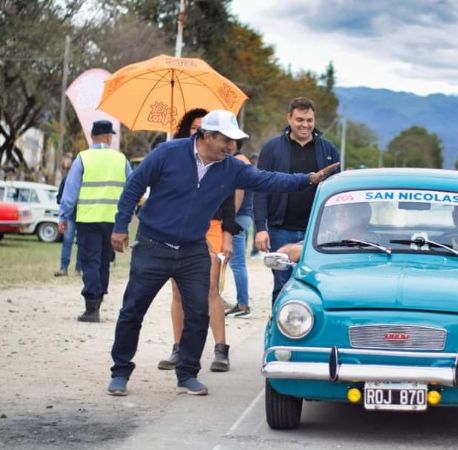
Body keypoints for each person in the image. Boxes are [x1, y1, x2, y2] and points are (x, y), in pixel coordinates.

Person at [107, 109, 337, 397]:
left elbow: (269, 180)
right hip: (153, 244)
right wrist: (120, 225)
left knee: (199, 312)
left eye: (233, 141)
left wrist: (308, 179)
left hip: (193, 249)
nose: (231, 147)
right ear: (206, 136)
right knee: (132, 310)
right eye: (226, 140)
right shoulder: (166, 153)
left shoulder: (231, 167)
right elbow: (134, 186)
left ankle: (188, 374)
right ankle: (120, 372)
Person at [156, 109, 240, 373]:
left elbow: (227, 200)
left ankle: (220, 349)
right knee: (178, 290)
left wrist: (228, 234)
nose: (198, 131)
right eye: (194, 127)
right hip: (180, 229)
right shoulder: (173, 156)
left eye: (201, 127)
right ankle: (178, 348)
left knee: (210, 287)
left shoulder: (221, 161)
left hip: (213, 226)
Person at [253, 97, 341, 304]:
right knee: (282, 284)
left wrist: (336, 227)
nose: (305, 125)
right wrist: (260, 228)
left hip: (317, 231)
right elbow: (260, 189)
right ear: (289, 118)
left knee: (316, 283)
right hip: (280, 228)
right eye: (300, 119)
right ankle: (280, 328)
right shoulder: (272, 149)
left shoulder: (329, 151)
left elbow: (337, 193)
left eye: (309, 120)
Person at [58, 120, 131, 322]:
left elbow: (70, 191)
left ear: (92, 136)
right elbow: (132, 188)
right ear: (109, 137)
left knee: (90, 261)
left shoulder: (82, 159)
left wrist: (63, 215)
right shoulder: (121, 160)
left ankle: (91, 307)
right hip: (113, 221)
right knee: (104, 263)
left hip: (88, 219)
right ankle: (98, 301)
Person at [225, 141, 255, 318]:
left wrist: (229, 220)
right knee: (236, 263)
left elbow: (239, 194)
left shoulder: (239, 161)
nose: (227, 145)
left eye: (230, 142)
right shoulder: (242, 160)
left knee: (237, 264)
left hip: (237, 217)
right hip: (243, 216)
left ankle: (243, 305)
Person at [55, 154, 82, 277]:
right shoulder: (66, 179)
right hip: (70, 214)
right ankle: (64, 268)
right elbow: (60, 196)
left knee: (81, 242)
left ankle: (79, 269)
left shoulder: (85, 179)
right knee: (68, 241)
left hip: (82, 214)